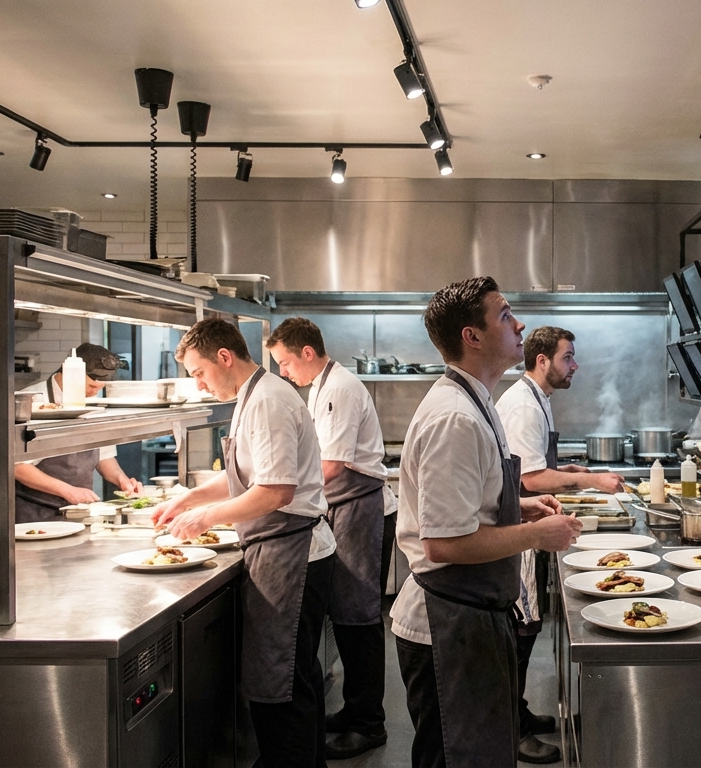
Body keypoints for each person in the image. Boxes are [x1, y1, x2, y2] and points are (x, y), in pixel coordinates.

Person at [391, 276, 582, 768]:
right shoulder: (455, 416)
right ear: (471, 337)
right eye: (504, 315)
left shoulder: (478, 401)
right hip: (448, 624)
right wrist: (537, 534)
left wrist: (518, 509)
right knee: (456, 758)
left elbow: (468, 505)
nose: (519, 324)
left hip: (474, 615)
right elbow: (444, 544)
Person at [153, 318, 335, 768]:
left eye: (199, 373)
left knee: (283, 688)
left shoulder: (269, 401)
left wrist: (204, 518)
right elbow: (245, 475)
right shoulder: (252, 395)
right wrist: (190, 499)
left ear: (224, 357)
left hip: (292, 555)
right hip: (283, 549)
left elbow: (275, 491)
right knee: (296, 680)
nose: (198, 385)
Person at [494, 325, 622, 764]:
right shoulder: (524, 406)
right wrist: (590, 479)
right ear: (542, 360)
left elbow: (535, 465)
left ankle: (519, 714)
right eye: (568, 357)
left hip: (527, 522)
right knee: (521, 631)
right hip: (520, 531)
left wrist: (562, 467)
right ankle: (509, 729)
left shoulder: (537, 400)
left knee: (525, 630)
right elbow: (529, 479)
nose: (575, 365)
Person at [266, 317, 392, 761]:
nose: (283, 373)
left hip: (357, 506)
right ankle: (356, 710)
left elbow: (333, 465)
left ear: (306, 352)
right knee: (347, 616)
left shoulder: (337, 388)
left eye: (284, 363)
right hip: (342, 507)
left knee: (359, 618)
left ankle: (368, 724)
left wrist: (278, 490)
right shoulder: (321, 385)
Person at [14, 343, 142, 522]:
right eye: (91, 386)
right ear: (70, 374)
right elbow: (17, 467)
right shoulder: (32, 401)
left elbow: (103, 455)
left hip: (77, 511)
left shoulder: (93, 404)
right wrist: (68, 490)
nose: (94, 392)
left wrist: (123, 480)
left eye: (99, 388)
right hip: (34, 511)